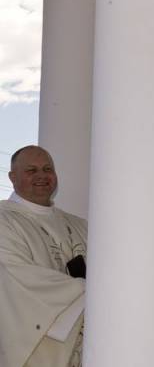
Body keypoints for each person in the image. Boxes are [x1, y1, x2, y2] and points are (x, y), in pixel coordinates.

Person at [0, 146, 88, 367]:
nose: (41, 175)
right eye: (31, 170)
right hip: (37, 347)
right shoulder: (4, 220)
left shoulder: (80, 226)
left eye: (47, 169)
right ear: (12, 177)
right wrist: (90, 292)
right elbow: (14, 275)